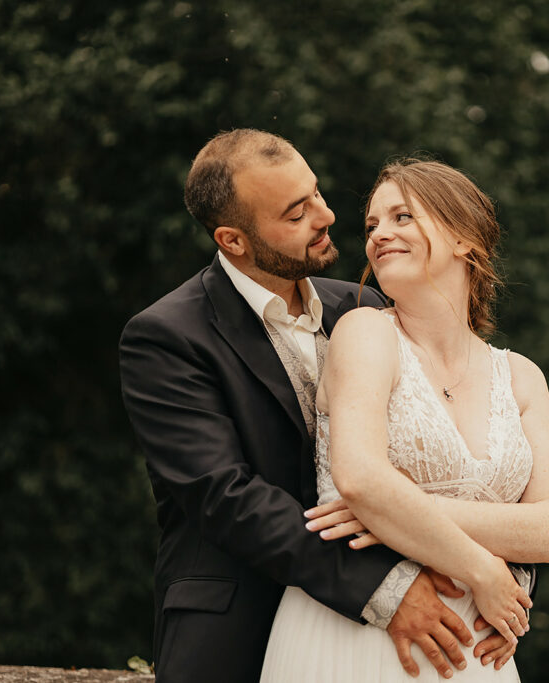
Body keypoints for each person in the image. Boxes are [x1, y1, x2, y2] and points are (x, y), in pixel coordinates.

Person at [118, 131, 522, 681]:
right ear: (233, 240)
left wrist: (501, 582)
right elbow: (227, 498)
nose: (327, 215)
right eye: (295, 213)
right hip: (240, 627)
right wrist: (386, 586)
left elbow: (455, 459)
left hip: (420, 635)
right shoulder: (167, 337)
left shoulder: (365, 305)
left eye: (316, 193)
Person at [261, 159, 549, 681]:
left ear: (463, 239)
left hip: (479, 649)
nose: (380, 234)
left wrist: (397, 509)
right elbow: (358, 479)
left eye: (402, 217)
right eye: (373, 225)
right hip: (361, 636)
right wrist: (484, 568)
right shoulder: (365, 333)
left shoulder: (521, 376)